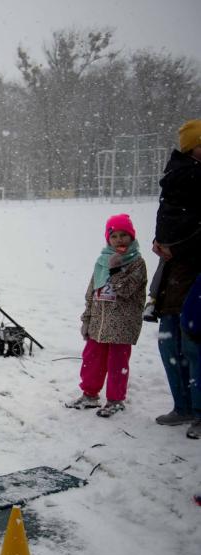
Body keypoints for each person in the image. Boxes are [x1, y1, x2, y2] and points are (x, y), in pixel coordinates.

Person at [67, 214, 147, 417]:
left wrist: (116, 269)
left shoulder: (137, 263)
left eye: (124, 235)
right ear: (108, 239)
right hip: (99, 323)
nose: (119, 240)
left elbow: (126, 289)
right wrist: (87, 319)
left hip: (122, 325)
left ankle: (115, 400)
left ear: (132, 237)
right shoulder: (102, 260)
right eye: (114, 236)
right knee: (92, 358)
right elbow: (92, 292)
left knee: (117, 363)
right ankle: (90, 394)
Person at [152, 119, 201, 438]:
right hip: (174, 273)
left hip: (193, 271)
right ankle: (183, 405)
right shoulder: (179, 176)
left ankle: (197, 409)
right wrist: (160, 242)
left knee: (194, 344)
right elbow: (169, 216)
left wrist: (175, 246)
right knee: (170, 342)